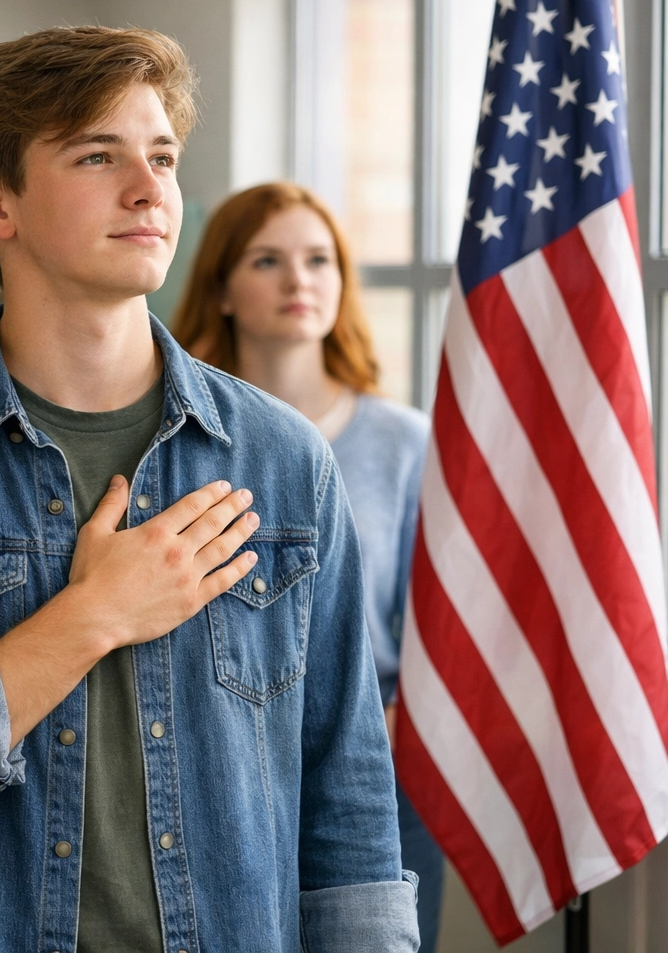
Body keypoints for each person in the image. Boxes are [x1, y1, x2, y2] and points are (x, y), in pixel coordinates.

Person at [0, 27, 419, 952]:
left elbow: (347, 790)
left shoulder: (283, 459)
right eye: (95, 156)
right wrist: (92, 617)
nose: (150, 188)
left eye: (161, 155)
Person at [172, 181, 443, 952]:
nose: (300, 281)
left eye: (319, 259)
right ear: (221, 286)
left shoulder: (404, 440)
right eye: (268, 260)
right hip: (219, 766)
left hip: (378, 766)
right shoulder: (179, 437)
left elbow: (437, 619)